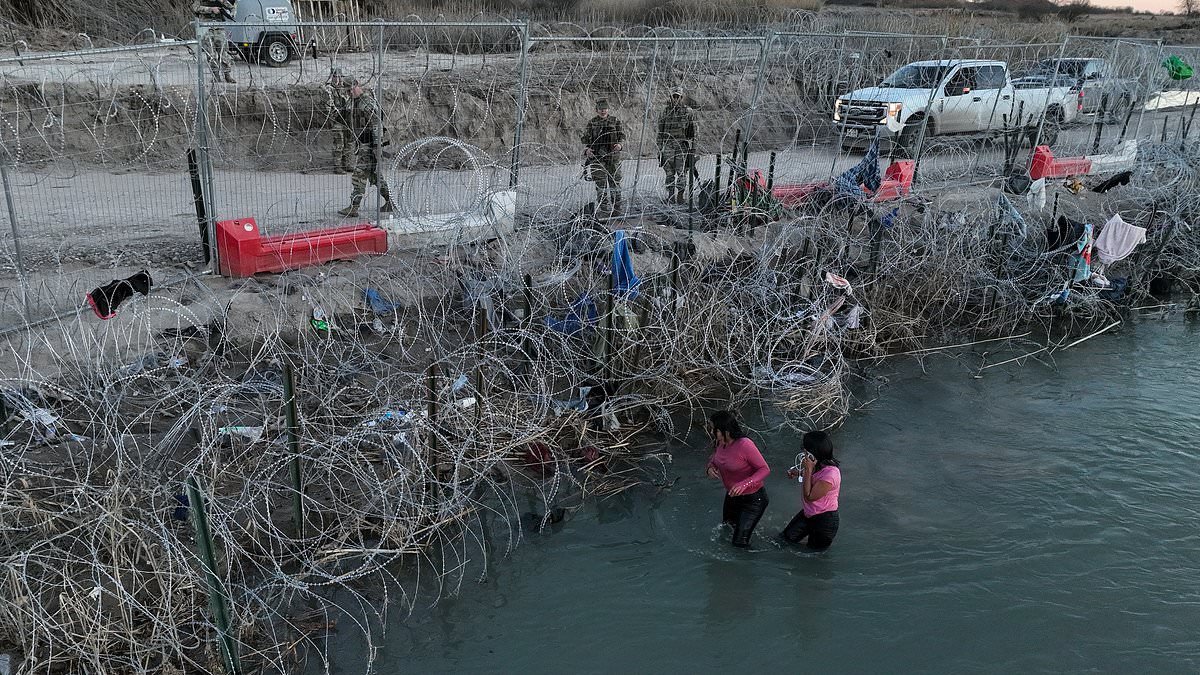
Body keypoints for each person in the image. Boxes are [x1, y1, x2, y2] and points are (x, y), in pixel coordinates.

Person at [705, 410, 770, 548]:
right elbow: (715, 459)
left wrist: (744, 484)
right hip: (732, 496)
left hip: (753, 500)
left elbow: (764, 469)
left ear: (726, 431)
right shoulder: (720, 443)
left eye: (713, 429)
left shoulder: (745, 445)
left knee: (739, 543)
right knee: (726, 529)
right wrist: (710, 468)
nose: (711, 431)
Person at [338, 78, 394, 217]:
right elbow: (346, 117)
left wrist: (376, 146)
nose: (350, 92)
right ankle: (390, 202)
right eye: (347, 91)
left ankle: (354, 207)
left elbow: (376, 124)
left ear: (357, 86)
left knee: (359, 174)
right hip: (362, 143)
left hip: (369, 145)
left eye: (351, 89)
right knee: (375, 176)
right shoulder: (353, 102)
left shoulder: (367, 103)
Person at [780, 431, 841, 551]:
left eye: (806, 450)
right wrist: (798, 472)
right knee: (784, 540)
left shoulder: (831, 474)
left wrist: (807, 469)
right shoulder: (819, 465)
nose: (804, 453)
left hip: (824, 520)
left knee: (812, 553)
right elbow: (815, 476)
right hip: (809, 514)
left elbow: (809, 496)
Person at [581, 98, 625, 215]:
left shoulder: (615, 121)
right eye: (600, 109)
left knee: (615, 183)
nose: (603, 111)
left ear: (608, 109)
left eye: (605, 109)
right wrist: (587, 150)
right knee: (601, 185)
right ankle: (604, 209)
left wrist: (620, 145)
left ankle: (617, 209)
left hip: (613, 158)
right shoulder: (592, 123)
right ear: (596, 110)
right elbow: (585, 139)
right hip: (597, 158)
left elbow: (622, 136)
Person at [657, 88, 696, 204]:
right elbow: (660, 131)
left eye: (677, 96)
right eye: (673, 96)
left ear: (681, 97)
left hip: (681, 146)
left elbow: (693, 131)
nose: (675, 99)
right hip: (668, 145)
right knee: (669, 173)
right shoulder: (665, 111)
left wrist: (693, 148)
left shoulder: (688, 112)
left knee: (681, 172)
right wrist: (659, 148)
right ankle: (670, 196)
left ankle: (680, 196)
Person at [192, 0, 236, 84]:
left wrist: (229, 13)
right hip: (206, 28)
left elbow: (232, 8)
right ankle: (216, 75)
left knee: (224, 53)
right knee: (210, 53)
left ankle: (227, 74)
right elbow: (195, 8)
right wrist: (210, 9)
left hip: (219, 28)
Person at [326, 67, 352, 173]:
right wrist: (337, 114)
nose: (338, 79)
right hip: (337, 120)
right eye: (336, 77)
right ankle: (337, 166)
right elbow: (328, 107)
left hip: (347, 119)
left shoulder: (344, 89)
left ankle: (347, 164)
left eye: (340, 77)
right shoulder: (329, 89)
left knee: (348, 142)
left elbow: (350, 102)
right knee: (339, 142)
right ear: (332, 77)